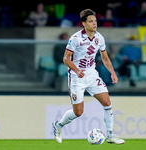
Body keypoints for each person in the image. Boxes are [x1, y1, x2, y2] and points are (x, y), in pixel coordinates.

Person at [52, 9, 125, 145]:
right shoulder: (76, 39)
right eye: (90, 21)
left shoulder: (99, 38)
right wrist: (77, 70)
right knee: (78, 112)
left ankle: (110, 135)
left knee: (107, 103)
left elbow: (105, 58)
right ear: (84, 23)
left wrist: (113, 73)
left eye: (95, 21)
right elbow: (66, 59)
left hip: (91, 75)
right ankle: (59, 126)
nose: (94, 23)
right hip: (76, 77)